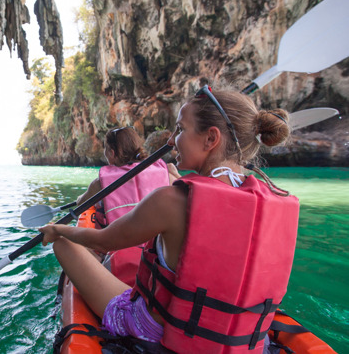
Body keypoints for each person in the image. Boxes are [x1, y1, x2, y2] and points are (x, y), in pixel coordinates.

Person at [40, 86, 299, 353]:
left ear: (211, 138)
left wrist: (58, 230)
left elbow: (104, 240)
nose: (172, 140)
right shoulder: (274, 199)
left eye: (180, 129)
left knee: (64, 244)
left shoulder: (172, 200)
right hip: (243, 339)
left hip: (155, 331)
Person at [75, 126, 171, 286]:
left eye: (105, 149)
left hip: (120, 264)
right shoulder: (165, 172)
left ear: (112, 153)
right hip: (160, 258)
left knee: (78, 244)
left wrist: (81, 197)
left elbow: (80, 205)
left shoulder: (99, 184)